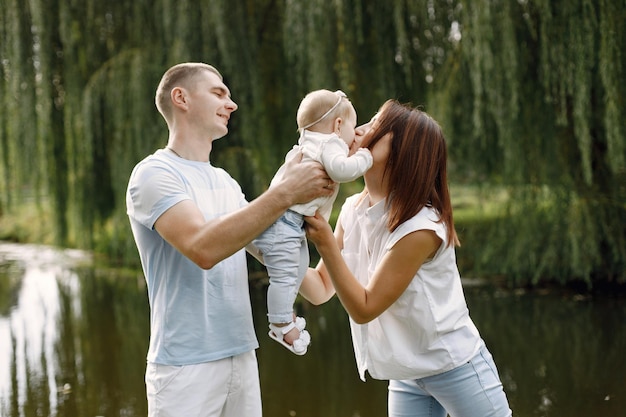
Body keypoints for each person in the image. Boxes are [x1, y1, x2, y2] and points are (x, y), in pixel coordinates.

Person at [125, 62, 334, 417]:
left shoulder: (226, 182)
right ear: (181, 98)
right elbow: (203, 248)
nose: (232, 103)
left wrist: (347, 225)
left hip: (241, 356)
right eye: (219, 93)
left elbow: (315, 287)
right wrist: (283, 194)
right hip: (184, 369)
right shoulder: (153, 174)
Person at [301, 100, 512, 417]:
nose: (358, 129)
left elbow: (365, 308)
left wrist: (326, 243)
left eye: (375, 125)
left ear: (403, 151)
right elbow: (319, 288)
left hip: (454, 366)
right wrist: (262, 245)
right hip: (406, 372)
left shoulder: (420, 228)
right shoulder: (353, 212)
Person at [252, 89, 373, 355]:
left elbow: (318, 290)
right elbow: (341, 170)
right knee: (285, 276)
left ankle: (282, 313)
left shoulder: (310, 143)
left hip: (288, 222)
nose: (361, 133)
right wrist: (364, 157)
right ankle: (281, 322)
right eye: (357, 126)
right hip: (289, 221)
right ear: (338, 125)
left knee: (292, 270)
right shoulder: (330, 144)